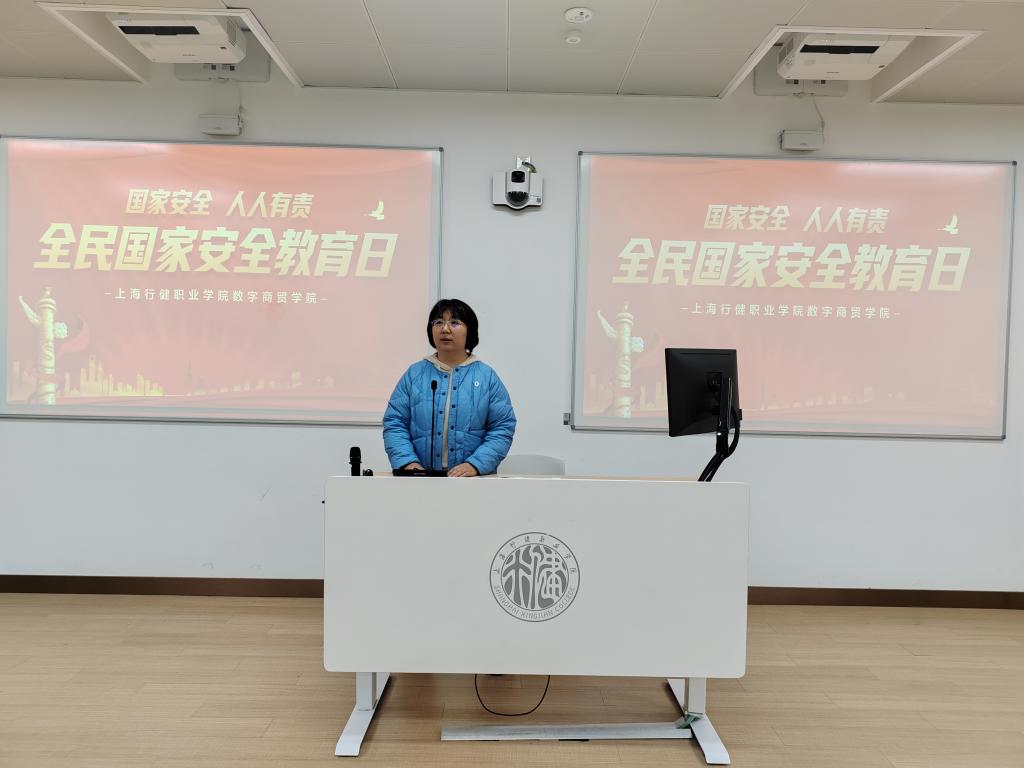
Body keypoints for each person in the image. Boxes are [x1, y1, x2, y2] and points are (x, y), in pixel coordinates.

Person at [383, 299, 516, 476]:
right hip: (420, 480)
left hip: (472, 482)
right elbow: (395, 422)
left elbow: (502, 427)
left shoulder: (486, 377)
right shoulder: (414, 375)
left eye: (454, 322)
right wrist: (408, 463)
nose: (445, 329)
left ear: (470, 330)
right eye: (438, 322)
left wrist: (475, 465)